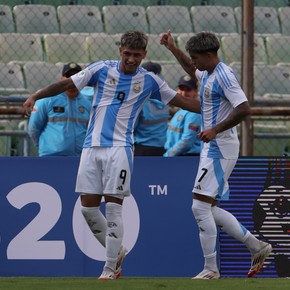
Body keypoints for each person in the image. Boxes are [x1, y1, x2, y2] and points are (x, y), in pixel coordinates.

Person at [23, 30, 200, 280]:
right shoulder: (101, 70)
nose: (131, 59)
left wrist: (213, 107)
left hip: (120, 149)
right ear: (120, 51)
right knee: (88, 210)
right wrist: (36, 95)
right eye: (127, 54)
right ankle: (116, 252)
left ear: (144, 55)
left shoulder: (150, 81)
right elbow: (66, 84)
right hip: (91, 147)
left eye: (137, 55)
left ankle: (110, 268)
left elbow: (184, 103)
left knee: (115, 209)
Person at [160, 31, 272, 279]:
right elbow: (192, 69)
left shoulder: (225, 76)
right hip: (213, 146)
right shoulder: (208, 72)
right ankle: (258, 247)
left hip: (220, 146)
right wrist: (172, 48)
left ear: (210, 55)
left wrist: (215, 129)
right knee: (207, 207)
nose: (194, 62)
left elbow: (244, 108)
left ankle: (211, 269)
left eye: (197, 57)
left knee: (199, 206)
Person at [27, 63, 91, 157]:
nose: (72, 80)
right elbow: (33, 128)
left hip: (79, 158)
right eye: (69, 76)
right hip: (50, 156)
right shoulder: (47, 99)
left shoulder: (87, 103)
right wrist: (44, 147)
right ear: (62, 79)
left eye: (76, 76)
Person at [134, 61, 170, 156]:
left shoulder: (141, 101)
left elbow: (132, 127)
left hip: (142, 147)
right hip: (161, 147)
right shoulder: (165, 100)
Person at [164, 74, 201, 157]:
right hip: (177, 155)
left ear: (195, 91)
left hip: (186, 157)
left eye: (188, 90)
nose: (184, 93)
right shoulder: (182, 110)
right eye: (181, 89)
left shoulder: (194, 112)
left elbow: (187, 141)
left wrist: (168, 155)